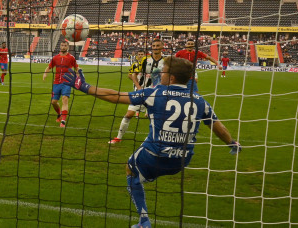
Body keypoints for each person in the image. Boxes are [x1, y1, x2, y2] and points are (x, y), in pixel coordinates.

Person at [62, 56, 242, 228]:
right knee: (156, 164)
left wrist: (85, 87)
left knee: (130, 169)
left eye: (162, 71)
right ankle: (147, 178)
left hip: (154, 155)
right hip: (182, 159)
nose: (159, 74)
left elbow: (115, 96)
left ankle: (143, 220)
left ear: (171, 77)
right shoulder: (200, 100)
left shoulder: (154, 93)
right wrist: (231, 142)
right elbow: (217, 126)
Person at [108, 39, 164, 144]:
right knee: (128, 115)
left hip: (155, 95)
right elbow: (133, 75)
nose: (155, 47)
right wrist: (138, 87)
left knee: (156, 119)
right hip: (141, 93)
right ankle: (119, 137)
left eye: (158, 45)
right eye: (154, 45)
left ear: (162, 47)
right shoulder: (145, 60)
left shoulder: (165, 62)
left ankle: (158, 140)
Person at [43, 40, 78, 128]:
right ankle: (59, 114)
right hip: (56, 82)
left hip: (67, 81)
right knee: (54, 102)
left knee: (65, 99)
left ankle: (63, 121)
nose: (63, 47)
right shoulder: (55, 58)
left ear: (67, 47)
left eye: (65, 45)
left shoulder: (71, 58)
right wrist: (45, 73)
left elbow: (76, 68)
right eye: (62, 45)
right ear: (60, 46)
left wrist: (79, 76)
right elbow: (49, 66)